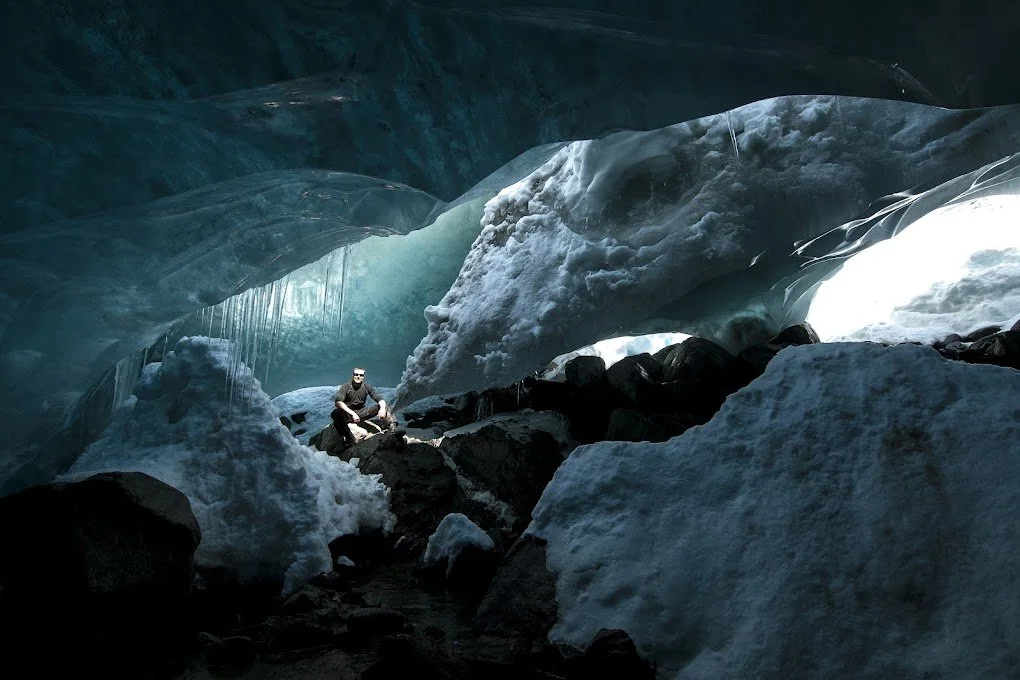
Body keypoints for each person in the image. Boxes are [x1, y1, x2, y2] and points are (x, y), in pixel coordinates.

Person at [330, 367, 397, 448]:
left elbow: (380, 400)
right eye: (356, 374)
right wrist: (353, 414)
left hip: (362, 413)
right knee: (335, 413)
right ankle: (349, 439)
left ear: (363, 377)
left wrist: (382, 409)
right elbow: (338, 402)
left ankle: (393, 429)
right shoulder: (346, 386)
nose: (358, 376)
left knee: (384, 406)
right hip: (348, 414)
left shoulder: (367, 387)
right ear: (352, 375)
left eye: (361, 375)